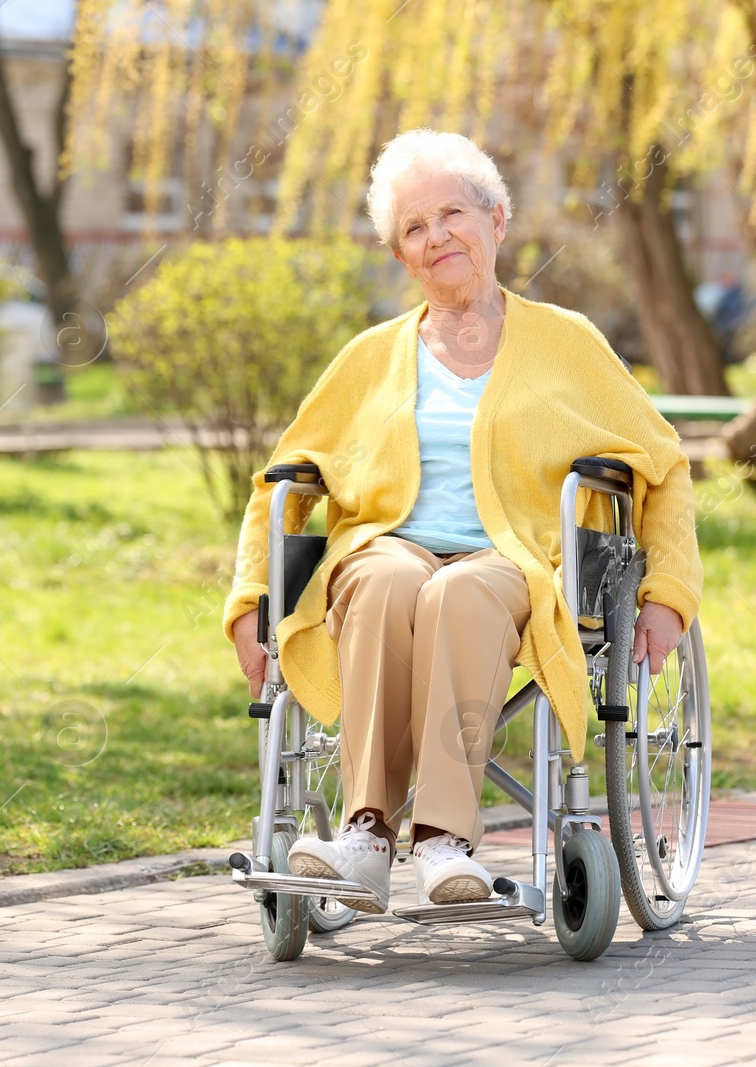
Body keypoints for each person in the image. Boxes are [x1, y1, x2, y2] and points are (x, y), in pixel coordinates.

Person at [222, 129, 702, 914]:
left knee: (460, 593)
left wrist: (669, 592)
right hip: (389, 548)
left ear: (497, 222)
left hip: (513, 560)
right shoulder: (368, 359)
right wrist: (251, 598)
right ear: (402, 256)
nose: (436, 234)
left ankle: (444, 840)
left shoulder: (568, 344)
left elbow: (664, 465)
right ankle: (366, 835)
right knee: (380, 580)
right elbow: (277, 482)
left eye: (453, 212)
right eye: (414, 227)